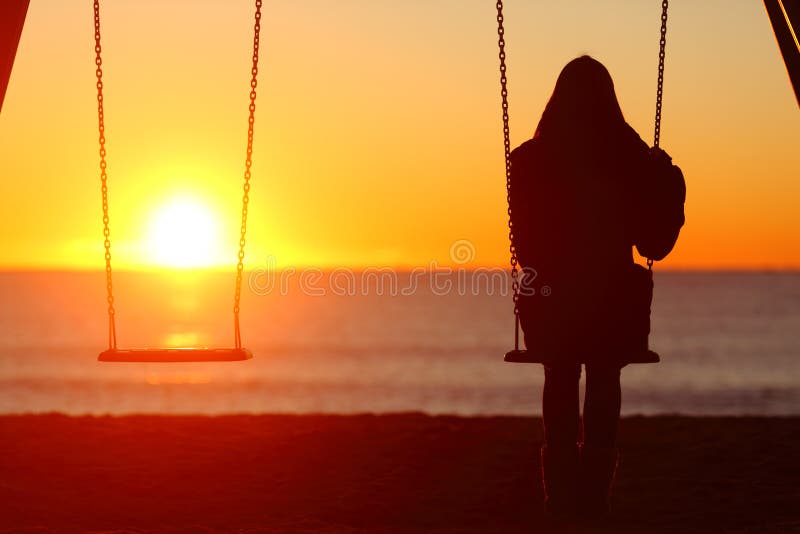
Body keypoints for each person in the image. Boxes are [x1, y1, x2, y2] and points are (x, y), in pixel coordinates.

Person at [509, 56, 685, 519]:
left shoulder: (530, 159)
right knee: (604, 379)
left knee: (559, 375)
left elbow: (526, 249)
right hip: (613, 307)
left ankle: (560, 497)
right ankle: (594, 500)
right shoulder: (631, 159)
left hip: (554, 308)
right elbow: (655, 242)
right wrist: (667, 180)